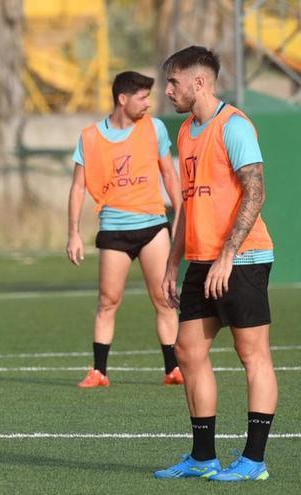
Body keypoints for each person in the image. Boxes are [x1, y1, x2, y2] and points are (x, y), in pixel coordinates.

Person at [154, 46, 276, 482]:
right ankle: (203, 457)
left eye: (173, 82)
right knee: (188, 351)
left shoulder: (235, 126)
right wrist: (173, 262)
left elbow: (255, 192)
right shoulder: (186, 131)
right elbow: (187, 204)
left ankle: (254, 461)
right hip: (201, 260)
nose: (167, 90)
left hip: (243, 258)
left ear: (198, 83)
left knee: (252, 355)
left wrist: (228, 255)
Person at [67, 71, 184, 388]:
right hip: (114, 231)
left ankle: (173, 369)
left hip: (153, 227)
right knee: (108, 301)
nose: (148, 103)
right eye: (142, 97)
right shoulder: (90, 137)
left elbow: (169, 175)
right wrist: (74, 233)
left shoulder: (155, 128)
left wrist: (180, 213)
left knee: (164, 298)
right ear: (123, 99)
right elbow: (78, 187)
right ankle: (99, 372)